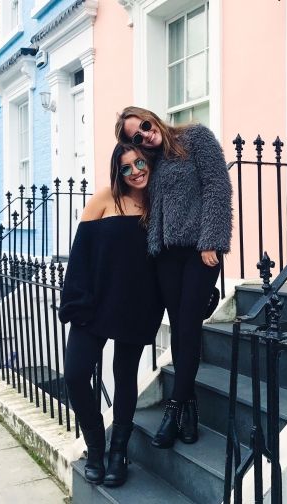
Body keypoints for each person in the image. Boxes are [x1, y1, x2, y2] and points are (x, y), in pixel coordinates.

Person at [115, 106, 232, 449]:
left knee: (187, 327)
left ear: (154, 118)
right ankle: (190, 407)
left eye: (146, 126)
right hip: (166, 255)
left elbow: (217, 187)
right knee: (180, 325)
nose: (145, 135)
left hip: (200, 250)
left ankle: (173, 408)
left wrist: (212, 239)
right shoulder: (149, 162)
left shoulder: (195, 137)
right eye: (136, 136)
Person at [59, 143, 163, 487]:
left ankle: (118, 452)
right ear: (117, 172)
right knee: (75, 373)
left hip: (137, 305)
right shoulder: (103, 199)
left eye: (139, 163)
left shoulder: (158, 203)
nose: (135, 171)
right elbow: (80, 256)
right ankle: (95, 444)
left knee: (124, 377)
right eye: (126, 168)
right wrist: (76, 301)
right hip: (95, 304)